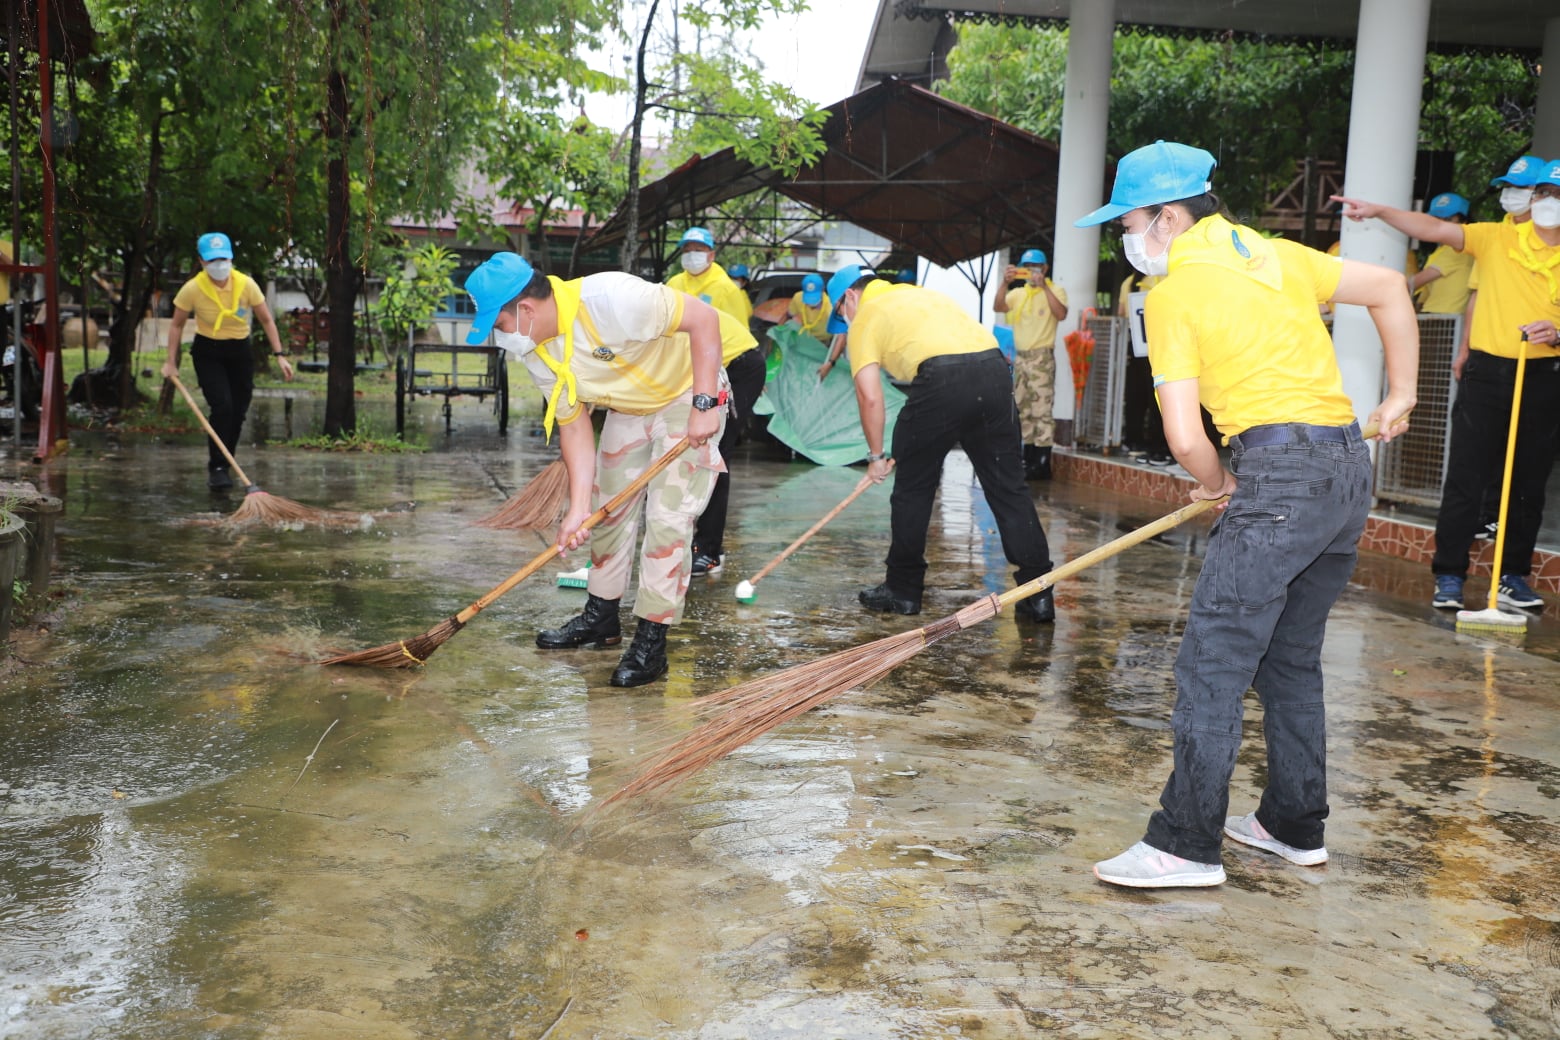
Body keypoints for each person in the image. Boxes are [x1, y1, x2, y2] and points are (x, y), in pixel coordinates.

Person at [1077, 141, 1417, 888]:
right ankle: (1293, 824)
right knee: (1288, 657)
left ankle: (1185, 844)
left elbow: (1184, 437)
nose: (1126, 239)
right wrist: (1401, 393)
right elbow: (1390, 287)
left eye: (1128, 223)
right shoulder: (1276, 254)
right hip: (1344, 469)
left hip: (1277, 477)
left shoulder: (1174, 294)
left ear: (1167, 218)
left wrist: (1214, 483)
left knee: (1214, 661)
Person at [464, 252, 742, 687]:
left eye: (500, 325)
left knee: (667, 520)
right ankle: (602, 617)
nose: (500, 338)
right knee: (606, 511)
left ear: (526, 310)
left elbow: (704, 320)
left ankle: (651, 640)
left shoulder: (612, 298)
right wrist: (577, 510)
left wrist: (705, 403)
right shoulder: (537, 352)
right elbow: (574, 426)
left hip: (687, 394)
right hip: (629, 407)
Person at [1335, 158, 1560, 614]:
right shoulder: (1496, 238)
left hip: (1543, 376)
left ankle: (1512, 577)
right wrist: (1380, 211)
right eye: (1542, 193)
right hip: (1487, 374)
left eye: (1556, 196)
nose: (1546, 203)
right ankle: (1450, 575)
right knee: (1466, 477)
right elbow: (1435, 229)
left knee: (1527, 482)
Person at [825, 263, 1057, 623]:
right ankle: (1038, 592)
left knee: (913, 489)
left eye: (841, 313)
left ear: (850, 297)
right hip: (994, 371)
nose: (846, 321)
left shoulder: (866, 315)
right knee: (1009, 488)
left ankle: (902, 590)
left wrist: (876, 457)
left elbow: (869, 397)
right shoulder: (921, 295)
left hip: (941, 378)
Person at [667, 227, 765, 577]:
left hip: (736, 365)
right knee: (696, 448)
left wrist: (707, 395)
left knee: (715, 452)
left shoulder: (725, 288)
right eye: (687, 248)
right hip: (702, 366)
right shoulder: (674, 284)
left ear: (711, 253)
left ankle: (710, 550)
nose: (692, 254)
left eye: (699, 248)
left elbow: (730, 337)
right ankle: (693, 537)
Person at [163, 232, 293, 490]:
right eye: (213, 260)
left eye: (223, 258)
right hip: (208, 352)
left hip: (239, 352)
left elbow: (266, 319)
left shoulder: (246, 284)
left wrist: (280, 355)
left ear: (231, 258)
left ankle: (226, 461)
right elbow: (176, 325)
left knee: (238, 411)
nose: (219, 265)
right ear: (202, 261)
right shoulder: (192, 288)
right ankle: (218, 467)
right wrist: (170, 361)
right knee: (222, 406)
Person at [993, 248, 1069, 479]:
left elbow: (1061, 314)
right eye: (1026, 268)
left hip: (1041, 357)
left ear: (1044, 269)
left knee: (1041, 410)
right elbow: (998, 307)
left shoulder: (1055, 290)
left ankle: (1043, 462)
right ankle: (1028, 458)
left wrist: (1044, 286)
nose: (1031, 272)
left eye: (1035, 267)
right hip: (1021, 358)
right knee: (1022, 408)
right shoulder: (1018, 293)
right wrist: (1005, 283)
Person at [1115, 271, 1171, 464]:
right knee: (1146, 398)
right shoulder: (1135, 281)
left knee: (1148, 398)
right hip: (1149, 346)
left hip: (1152, 346)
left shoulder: (1130, 281)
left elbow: (1121, 312)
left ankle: (1148, 444)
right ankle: (1148, 445)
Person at [1411, 192, 1472, 315]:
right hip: (1434, 317)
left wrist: (1388, 288)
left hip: (1445, 318)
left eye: (1448, 219)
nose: (1440, 224)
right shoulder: (1440, 251)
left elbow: (1415, 282)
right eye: (1436, 219)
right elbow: (1424, 294)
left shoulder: (1457, 249)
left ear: (1464, 221)